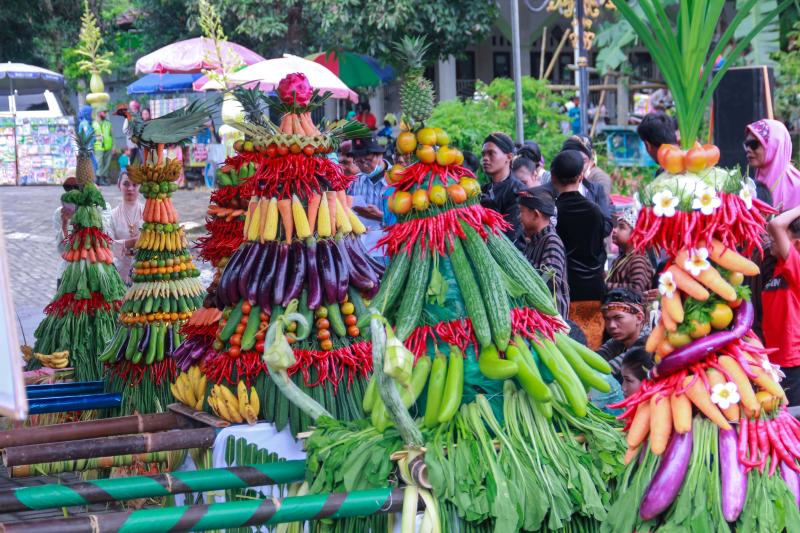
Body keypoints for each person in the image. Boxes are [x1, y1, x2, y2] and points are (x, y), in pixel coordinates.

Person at [552, 150, 608, 348]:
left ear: (552, 177)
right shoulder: (594, 211)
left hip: (563, 291)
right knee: (593, 352)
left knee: (568, 351)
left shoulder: (552, 212)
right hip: (593, 289)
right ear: (580, 176)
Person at [762, 202, 800, 405]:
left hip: (793, 362)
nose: (772, 239)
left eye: (783, 235)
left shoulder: (797, 265)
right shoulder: (776, 267)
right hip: (775, 362)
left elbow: (775, 225)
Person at [517, 187, 569, 317]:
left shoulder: (552, 241)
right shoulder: (532, 240)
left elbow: (549, 282)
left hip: (551, 322)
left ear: (535, 214)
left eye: (521, 212)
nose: (519, 217)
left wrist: (521, 265)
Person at [745, 118, 800, 211]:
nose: (748, 149)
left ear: (774, 145)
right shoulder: (751, 184)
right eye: (747, 144)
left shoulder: (796, 187)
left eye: (754, 144)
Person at [347, 136, 389, 258]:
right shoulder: (356, 181)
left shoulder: (398, 179)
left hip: (389, 249)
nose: (364, 165)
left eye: (368, 160)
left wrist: (381, 217)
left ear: (380, 155)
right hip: (362, 249)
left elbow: (409, 220)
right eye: (358, 162)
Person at [597, 288, 650, 377]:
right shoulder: (617, 341)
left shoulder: (649, 343)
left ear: (639, 318)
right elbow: (595, 359)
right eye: (607, 319)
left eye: (618, 318)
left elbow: (606, 372)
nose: (611, 325)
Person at [480, 132, 523, 240]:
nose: (485, 158)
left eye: (491, 153)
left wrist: (490, 208)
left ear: (509, 157)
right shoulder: (483, 190)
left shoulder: (519, 192)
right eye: (483, 154)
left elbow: (510, 234)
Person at [606, 206, 654, 295]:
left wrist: (605, 286)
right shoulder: (622, 258)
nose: (615, 230)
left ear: (635, 236)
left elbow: (636, 289)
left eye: (621, 227)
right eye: (616, 226)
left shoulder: (638, 260)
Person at [108, 172, 144, 285]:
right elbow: (107, 245)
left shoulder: (148, 213)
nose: (130, 188)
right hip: (119, 274)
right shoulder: (112, 215)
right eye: (126, 184)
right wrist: (131, 242)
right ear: (119, 186)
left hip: (145, 273)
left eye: (135, 185)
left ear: (141, 187)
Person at [53, 177, 82, 286]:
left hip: (91, 270)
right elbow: (62, 249)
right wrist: (66, 224)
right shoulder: (59, 213)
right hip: (67, 271)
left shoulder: (94, 210)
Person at [92, 110, 113, 185]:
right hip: (98, 146)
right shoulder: (93, 123)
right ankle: (98, 178)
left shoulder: (108, 123)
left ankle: (103, 178)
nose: (105, 114)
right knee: (99, 163)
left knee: (106, 163)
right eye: (104, 112)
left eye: (105, 112)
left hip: (108, 145)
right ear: (99, 113)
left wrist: (114, 146)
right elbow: (91, 135)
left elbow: (112, 135)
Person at [77, 105, 97, 173]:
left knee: (93, 164)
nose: (92, 115)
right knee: (93, 165)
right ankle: (90, 181)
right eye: (91, 113)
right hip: (87, 149)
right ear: (87, 114)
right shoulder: (85, 123)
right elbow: (86, 136)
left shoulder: (85, 123)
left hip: (87, 148)